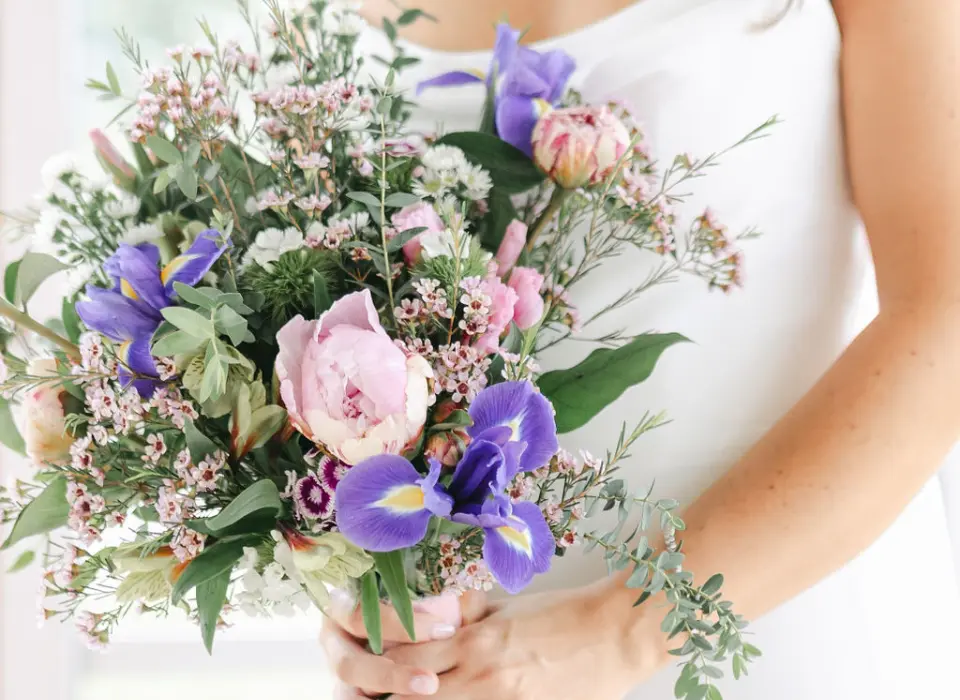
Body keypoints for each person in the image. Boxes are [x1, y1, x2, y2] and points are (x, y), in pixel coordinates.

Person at [322, 1, 960, 698]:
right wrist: (369, 606)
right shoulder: (297, 31)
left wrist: (626, 628)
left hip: (774, 625)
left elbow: (945, 317)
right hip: (470, 669)